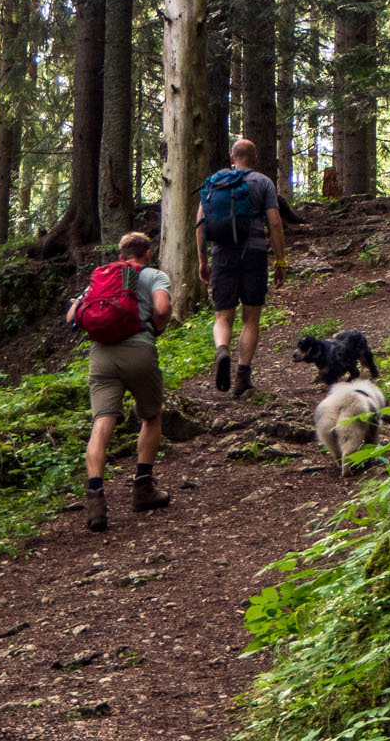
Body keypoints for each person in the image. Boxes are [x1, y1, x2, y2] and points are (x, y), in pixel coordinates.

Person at [64, 231, 173, 531]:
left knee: (102, 424)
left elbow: (73, 317)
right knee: (151, 417)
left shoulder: (102, 278)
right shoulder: (154, 275)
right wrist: (157, 329)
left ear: (121, 255)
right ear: (147, 253)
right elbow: (162, 309)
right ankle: (143, 489)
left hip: (102, 356)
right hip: (139, 350)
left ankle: (96, 502)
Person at [198, 137, 287, 398]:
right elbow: (275, 223)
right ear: (255, 158)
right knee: (251, 317)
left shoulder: (214, 182)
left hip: (222, 254)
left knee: (223, 317)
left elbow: (200, 224)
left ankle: (222, 349)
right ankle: (242, 376)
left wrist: (203, 261)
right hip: (255, 255)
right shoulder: (263, 183)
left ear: (231, 157)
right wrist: (280, 260)